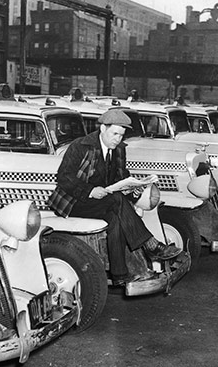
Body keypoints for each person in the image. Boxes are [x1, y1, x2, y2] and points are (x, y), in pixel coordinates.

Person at [48, 108, 181, 286]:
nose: (118, 139)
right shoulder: (80, 146)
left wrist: (135, 186)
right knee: (117, 202)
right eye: (115, 134)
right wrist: (89, 191)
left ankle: (119, 274)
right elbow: (64, 178)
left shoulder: (118, 150)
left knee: (115, 219)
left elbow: (120, 179)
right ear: (103, 129)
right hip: (74, 202)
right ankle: (150, 245)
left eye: (121, 135)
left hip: (102, 202)